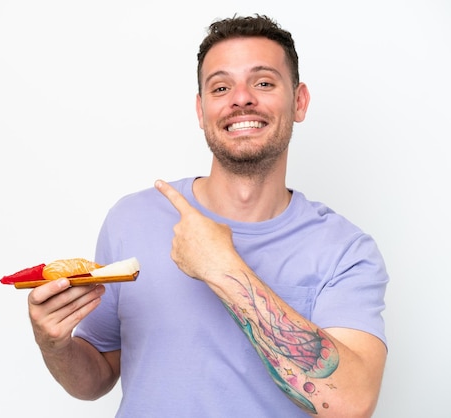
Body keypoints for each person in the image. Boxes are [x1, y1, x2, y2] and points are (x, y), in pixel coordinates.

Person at [27, 14, 388, 418]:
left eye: (264, 82)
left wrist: (222, 267)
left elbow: (350, 404)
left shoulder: (346, 251)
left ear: (299, 101)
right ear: (202, 111)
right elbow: (95, 380)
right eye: (221, 87)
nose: (241, 98)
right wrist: (55, 345)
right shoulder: (131, 219)